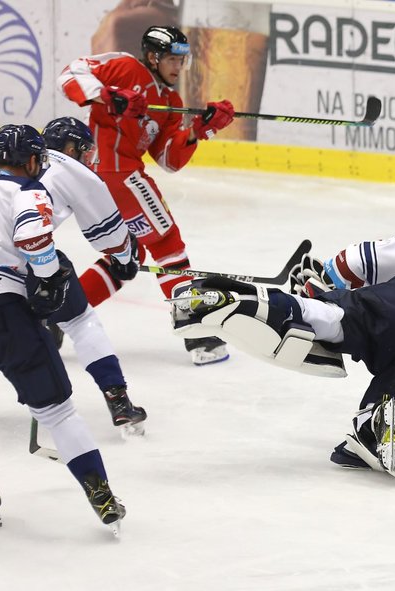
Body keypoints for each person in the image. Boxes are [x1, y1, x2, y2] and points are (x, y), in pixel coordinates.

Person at [169, 228, 395, 480]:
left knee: (330, 319)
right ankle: (386, 425)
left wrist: (325, 281)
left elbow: (360, 258)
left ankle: (238, 301)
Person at [0, 124, 125, 532]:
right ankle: (100, 494)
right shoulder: (28, 190)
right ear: (32, 160)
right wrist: (48, 278)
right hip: (2, 312)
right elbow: (33, 240)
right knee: (59, 412)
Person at [58, 24, 236, 365]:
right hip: (112, 171)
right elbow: (70, 74)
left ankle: (58, 316)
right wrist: (107, 95)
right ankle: (194, 328)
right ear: (153, 57)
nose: (178, 67)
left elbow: (169, 160)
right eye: (171, 59)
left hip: (109, 177)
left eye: (182, 61)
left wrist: (202, 129)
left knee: (127, 257)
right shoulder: (126, 68)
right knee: (167, 244)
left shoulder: (170, 100)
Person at [0, 117, 147, 434]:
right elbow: (108, 236)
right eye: (84, 150)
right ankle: (118, 399)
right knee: (80, 321)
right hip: (25, 260)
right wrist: (125, 257)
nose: (88, 158)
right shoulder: (76, 172)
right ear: (71, 148)